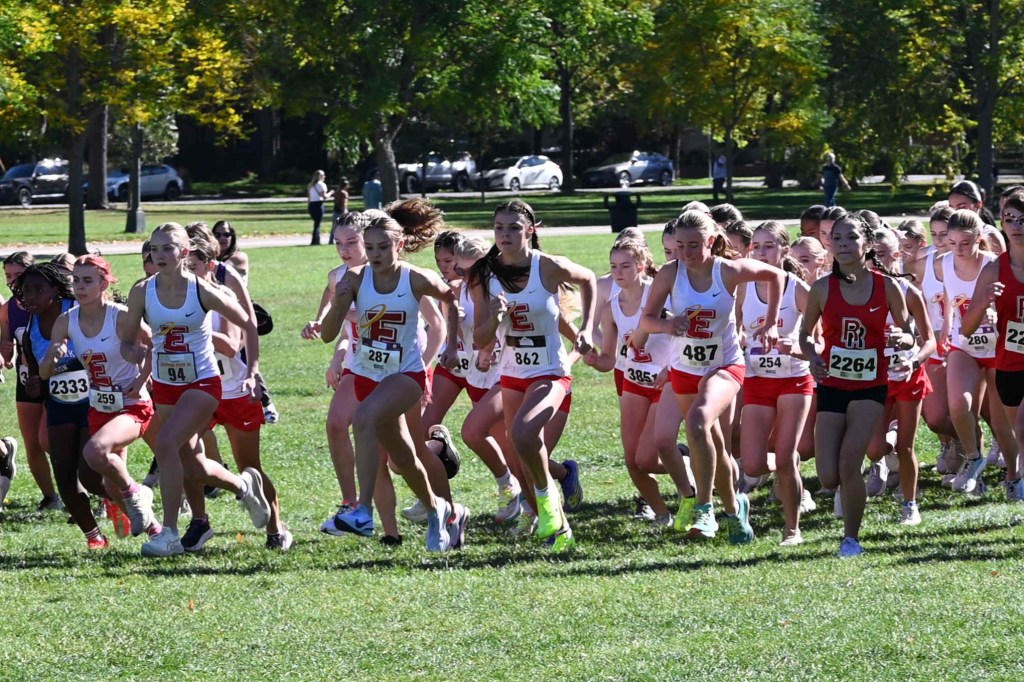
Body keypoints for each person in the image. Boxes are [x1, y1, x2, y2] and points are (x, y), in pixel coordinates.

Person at [320, 202, 468, 551]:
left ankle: (362, 511)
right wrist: (340, 302)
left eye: (383, 247)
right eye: (370, 248)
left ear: (399, 245)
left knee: (363, 419)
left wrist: (450, 346)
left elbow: (451, 302)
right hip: (367, 375)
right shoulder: (355, 278)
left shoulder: (415, 277)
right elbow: (328, 334)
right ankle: (440, 510)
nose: (376, 254)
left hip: (406, 375)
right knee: (403, 458)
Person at [121, 222, 272, 557]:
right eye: (154, 248)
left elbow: (249, 322)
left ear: (184, 252)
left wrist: (252, 370)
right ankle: (243, 485)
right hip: (165, 384)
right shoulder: (142, 291)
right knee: (190, 462)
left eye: (168, 248)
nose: (159, 255)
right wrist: (135, 354)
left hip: (202, 382)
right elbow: (128, 341)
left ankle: (169, 533)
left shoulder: (201, 290)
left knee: (165, 444)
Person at [640, 210, 784, 543]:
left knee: (697, 422)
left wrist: (772, 322)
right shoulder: (670, 273)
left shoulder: (728, 271)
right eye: (680, 245)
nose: (685, 253)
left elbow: (776, 275)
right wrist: (668, 324)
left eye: (693, 245)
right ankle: (735, 508)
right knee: (715, 446)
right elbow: (647, 321)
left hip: (724, 366)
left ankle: (704, 508)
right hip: (685, 369)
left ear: (712, 242)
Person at [468, 199, 596, 552]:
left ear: (530, 230)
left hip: (551, 371)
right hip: (511, 374)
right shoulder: (483, 274)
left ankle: (547, 503)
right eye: (499, 228)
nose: (505, 234)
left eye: (513, 227)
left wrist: (587, 328)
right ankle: (560, 530)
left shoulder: (547, 267)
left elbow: (588, 279)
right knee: (517, 456)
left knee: (524, 434)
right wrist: (494, 317)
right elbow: (480, 340)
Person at [799, 215, 912, 558]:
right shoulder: (822, 288)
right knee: (828, 476)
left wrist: (902, 339)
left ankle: (851, 539)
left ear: (867, 245)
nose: (844, 244)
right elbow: (805, 335)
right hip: (832, 384)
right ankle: (847, 489)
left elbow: (909, 333)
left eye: (851, 238)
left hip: (870, 386)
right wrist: (812, 356)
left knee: (849, 463)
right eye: (837, 238)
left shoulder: (886, 287)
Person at [186, 229, 291, 550]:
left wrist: (191, 332)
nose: (185, 272)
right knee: (185, 454)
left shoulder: (222, 295)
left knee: (250, 466)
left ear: (209, 265)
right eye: (182, 266)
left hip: (233, 389)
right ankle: (199, 522)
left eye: (192, 266)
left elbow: (233, 345)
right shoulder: (174, 296)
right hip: (197, 389)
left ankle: (276, 527)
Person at [47, 255, 161, 539]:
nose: (80, 286)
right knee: (108, 484)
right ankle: (156, 532)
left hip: (132, 404)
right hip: (100, 406)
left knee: (95, 452)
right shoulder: (66, 320)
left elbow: (154, 346)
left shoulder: (119, 316)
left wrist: (141, 379)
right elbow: (44, 372)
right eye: (76, 280)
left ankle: (138, 492)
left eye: (88, 280)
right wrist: (52, 357)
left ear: (103, 284)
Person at [583, 238, 674, 524]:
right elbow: (610, 359)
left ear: (641, 266)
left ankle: (691, 473)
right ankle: (662, 513)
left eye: (625, 266)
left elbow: (683, 335)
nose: (618, 272)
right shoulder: (611, 308)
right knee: (633, 461)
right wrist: (595, 360)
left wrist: (672, 368)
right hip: (634, 382)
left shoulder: (660, 296)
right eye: (613, 267)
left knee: (646, 458)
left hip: (665, 382)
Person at [18, 262, 108, 549]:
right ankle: (94, 537)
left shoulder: (77, 311)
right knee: (65, 479)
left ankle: (128, 499)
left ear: (55, 291)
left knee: (89, 475)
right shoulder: (30, 327)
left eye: (38, 290)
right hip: (59, 406)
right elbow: (35, 373)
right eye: (26, 291)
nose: (30, 297)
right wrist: (35, 385)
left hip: (93, 403)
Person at [737, 221, 815, 545]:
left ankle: (792, 529)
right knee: (754, 465)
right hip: (757, 379)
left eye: (769, 246)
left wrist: (793, 347)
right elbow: (733, 330)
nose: (761, 253)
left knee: (783, 458)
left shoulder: (798, 289)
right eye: (756, 246)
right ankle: (788, 466)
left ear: (784, 251)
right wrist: (739, 340)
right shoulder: (743, 287)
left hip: (794, 380)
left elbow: (821, 344)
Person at [939, 210, 1019, 496]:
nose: (958, 250)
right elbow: (949, 299)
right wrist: (945, 327)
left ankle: (1014, 476)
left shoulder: (993, 265)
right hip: (964, 345)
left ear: (978, 239)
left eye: (965, 243)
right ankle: (974, 459)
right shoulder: (944, 263)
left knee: (1001, 423)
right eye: (952, 243)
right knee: (958, 405)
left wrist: (994, 312)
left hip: (998, 349)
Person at [862, 229, 936, 525]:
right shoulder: (857, 291)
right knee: (874, 449)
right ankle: (890, 436)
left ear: (896, 255)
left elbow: (930, 341)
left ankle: (910, 504)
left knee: (906, 447)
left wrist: (913, 359)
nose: (873, 261)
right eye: (869, 255)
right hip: (874, 378)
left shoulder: (909, 292)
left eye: (880, 254)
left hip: (907, 377)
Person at [962, 189, 1024, 501]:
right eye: (1010, 219)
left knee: (1023, 428)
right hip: (1009, 363)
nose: (1016, 226)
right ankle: (1016, 477)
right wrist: (985, 301)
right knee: (1015, 432)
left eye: (1023, 219)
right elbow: (966, 328)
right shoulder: (994, 269)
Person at [1, 252, 60, 511]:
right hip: (27, 381)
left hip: (55, 379)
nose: (13, 281)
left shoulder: (52, 303)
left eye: (18, 275)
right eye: (8, 276)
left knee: (52, 440)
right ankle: (51, 497)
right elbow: (8, 347)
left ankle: (81, 490)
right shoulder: (8, 309)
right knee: (33, 443)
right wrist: (6, 352)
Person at [307, 170, 333, 246]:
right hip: (318, 205)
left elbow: (309, 197)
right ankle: (316, 240)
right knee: (317, 224)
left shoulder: (310, 185)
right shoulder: (322, 185)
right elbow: (325, 196)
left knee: (316, 223)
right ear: (320, 176)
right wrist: (331, 192)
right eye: (323, 175)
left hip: (311, 205)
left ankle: (315, 240)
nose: (324, 176)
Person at [329, 178, 350, 244]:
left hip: (336, 210)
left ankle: (331, 240)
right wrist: (344, 212)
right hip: (342, 211)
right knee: (345, 226)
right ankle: (345, 239)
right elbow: (344, 203)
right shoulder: (344, 193)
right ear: (345, 185)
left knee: (334, 226)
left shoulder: (337, 192)